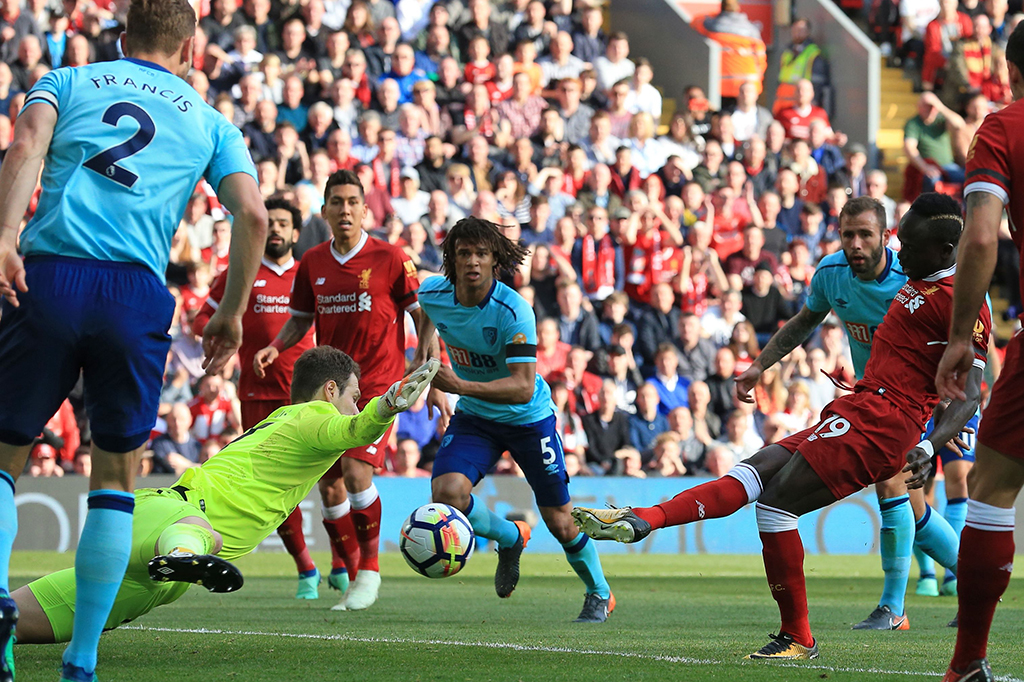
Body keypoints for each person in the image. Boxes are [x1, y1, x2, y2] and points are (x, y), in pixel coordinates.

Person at [573, 194, 992, 660]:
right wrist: (762, 366)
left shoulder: (962, 301)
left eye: (908, 245)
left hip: (887, 423)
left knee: (778, 508)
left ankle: (804, 634)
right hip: (861, 406)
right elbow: (811, 321)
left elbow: (972, 389)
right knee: (755, 470)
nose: (901, 251)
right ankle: (643, 518)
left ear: (946, 249)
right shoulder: (876, 275)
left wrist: (931, 444)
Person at [0, 1, 268, 679]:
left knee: (3, 461)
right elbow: (254, 216)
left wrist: (4, 236)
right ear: (190, 49)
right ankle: (83, 658)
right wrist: (231, 314)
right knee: (113, 481)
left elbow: (26, 145)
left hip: (50, 279)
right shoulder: (211, 123)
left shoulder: (68, 81)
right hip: (134, 296)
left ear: (123, 37)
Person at [10, 348, 439, 648]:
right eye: (353, 396)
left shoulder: (282, 419)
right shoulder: (316, 416)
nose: (354, 405)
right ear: (329, 391)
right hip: (180, 518)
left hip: (154, 543)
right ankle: (183, 552)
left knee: (20, 620)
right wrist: (383, 408)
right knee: (206, 538)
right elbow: (350, 431)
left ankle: (178, 558)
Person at [411, 216, 614, 622]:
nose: (472, 261)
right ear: (450, 259)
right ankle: (510, 536)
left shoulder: (513, 310)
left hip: (528, 418)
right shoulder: (434, 291)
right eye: (463, 253)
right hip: (476, 417)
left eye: (481, 253)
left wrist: (458, 386)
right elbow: (425, 315)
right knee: (446, 492)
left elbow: (522, 386)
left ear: (495, 260)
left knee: (559, 520)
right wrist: (426, 365)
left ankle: (599, 592)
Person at [253, 169, 425, 612]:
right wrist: (275, 347)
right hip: (330, 391)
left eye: (353, 201)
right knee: (329, 488)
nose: (345, 209)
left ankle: (369, 571)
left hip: (378, 388)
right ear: (325, 210)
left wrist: (427, 366)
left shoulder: (390, 257)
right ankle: (350, 571)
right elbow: (299, 319)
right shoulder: (312, 262)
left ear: (365, 209)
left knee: (355, 475)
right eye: (337, 202)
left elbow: (421, 315)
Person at [934, 24, 1024, 682]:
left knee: (990, 494)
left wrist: (962, 336)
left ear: (1010, 71)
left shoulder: (1002, 127)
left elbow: (982, 237)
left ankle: (967, 664)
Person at [192, 198, 320, 600]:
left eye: (284, 224)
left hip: (308, 394)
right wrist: (227, 336)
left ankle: (348, 567)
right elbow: (202, 318)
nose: (277, 230)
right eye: (272, 224)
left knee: (331, 484)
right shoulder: (240, 275)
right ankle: (306, 569)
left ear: (295, 233)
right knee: (273, 489)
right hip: (256, 391)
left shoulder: (308, 275)